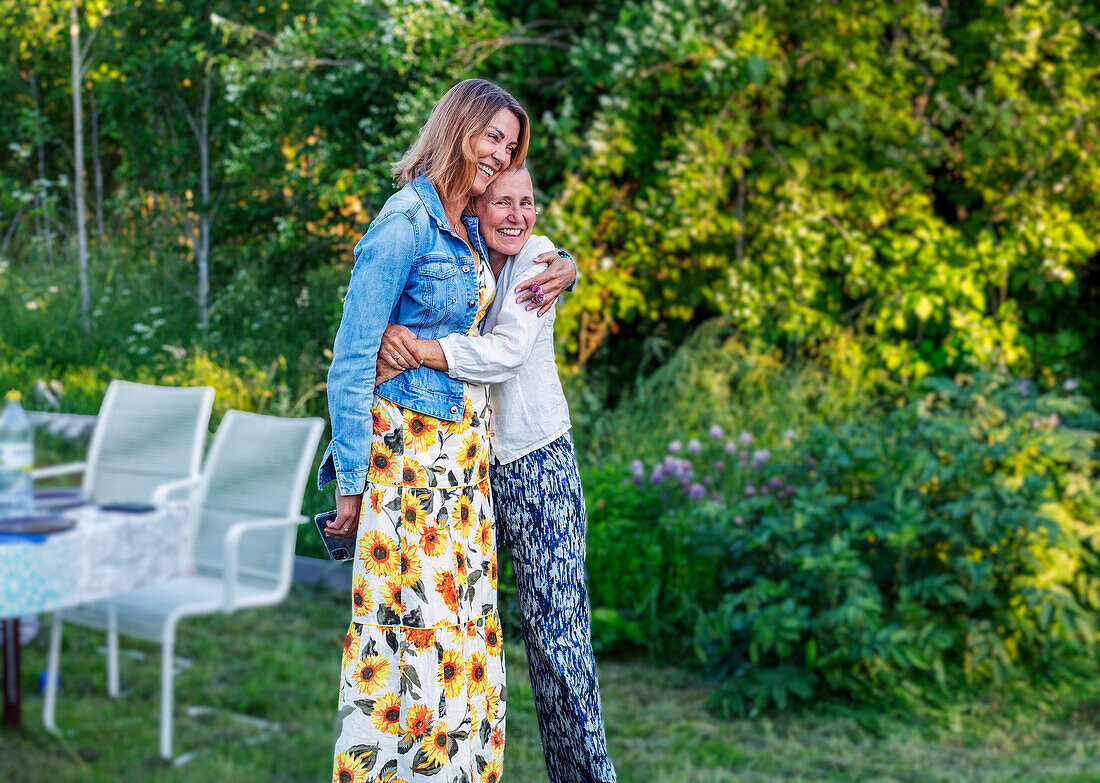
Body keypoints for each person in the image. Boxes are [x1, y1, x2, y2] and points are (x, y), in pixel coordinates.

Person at [318, 78, 573, 783]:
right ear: (458, 127)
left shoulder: (466, 223)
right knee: (410, 641)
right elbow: (350, 358)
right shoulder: (405, 222)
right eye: (492, 135)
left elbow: (522, 257)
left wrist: (567, 269)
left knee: (465, 642)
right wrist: (350, 482)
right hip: (409, 458)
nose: (501, 153)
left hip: (463, 462)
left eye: (512, 144)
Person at [377, 167, 617, 783]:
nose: (518, 215)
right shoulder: (474, 257)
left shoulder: (537, 255)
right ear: (476, 208)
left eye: (528, 203)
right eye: (502, 202)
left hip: (539, 464)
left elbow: (508, 354)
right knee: (472, 625)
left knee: (558, 643)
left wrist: (421, 349)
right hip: (478, 466)